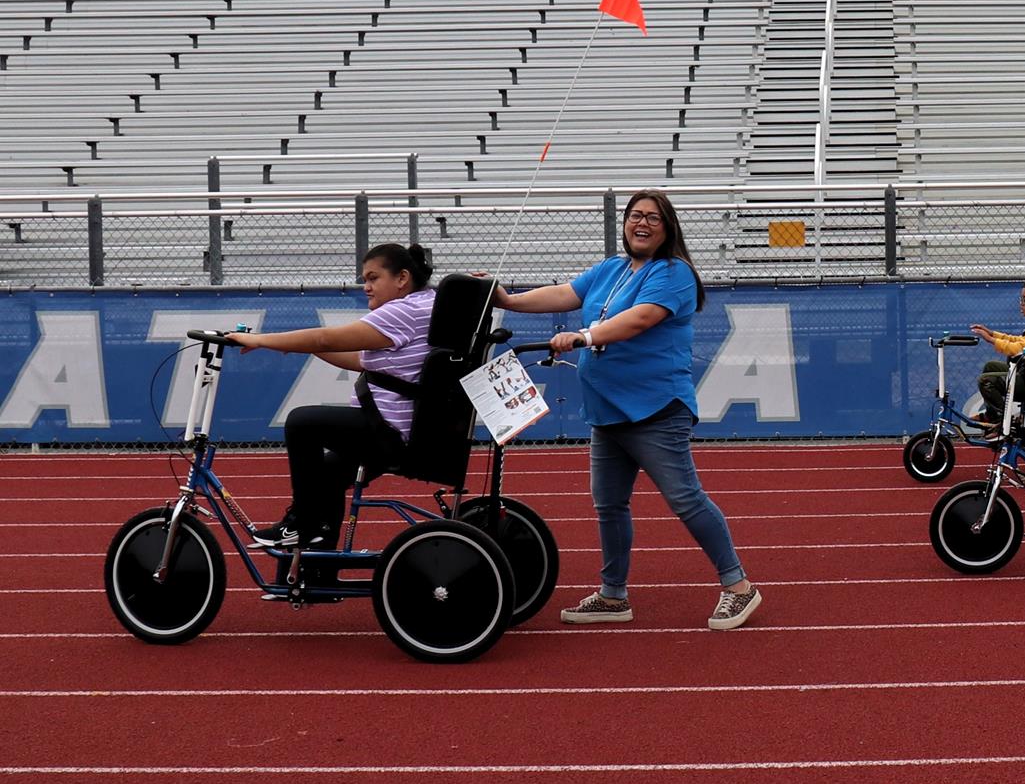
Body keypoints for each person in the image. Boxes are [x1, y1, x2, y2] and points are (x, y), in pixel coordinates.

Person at [494, 190, 761, 631]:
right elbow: (565, 293)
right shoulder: (612, 268)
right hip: (607, 409)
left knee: (685, 499)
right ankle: (614, 595)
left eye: (653, 218)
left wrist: (585, 335)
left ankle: (739, 587)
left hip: (655, 408)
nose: (642, 223)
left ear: (667, 228)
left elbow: (639, 319)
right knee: (609, 505)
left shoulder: (674, 273)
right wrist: (508, 300)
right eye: (635, 215)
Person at [228, 242, 438, 552]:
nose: (366, 287)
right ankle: (317, 570)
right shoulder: (427, 303)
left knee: (302, 422)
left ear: (402, 278)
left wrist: (260, 340)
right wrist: (301, 346)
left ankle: (301, 523)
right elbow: (358, 360)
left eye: (372, 278)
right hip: (404, 428)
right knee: (326, 475)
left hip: (390, 431)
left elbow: (327, 337)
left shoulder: (402, 312)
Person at [971, 275, 1025, 422]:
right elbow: (1020, 340)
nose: (1021, 303)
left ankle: (1002, 422)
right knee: (990, 366)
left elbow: (1018, 348)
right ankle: (992, 415)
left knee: (985, 381)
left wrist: (991, 340)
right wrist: (993, 333)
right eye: (1021, 299)